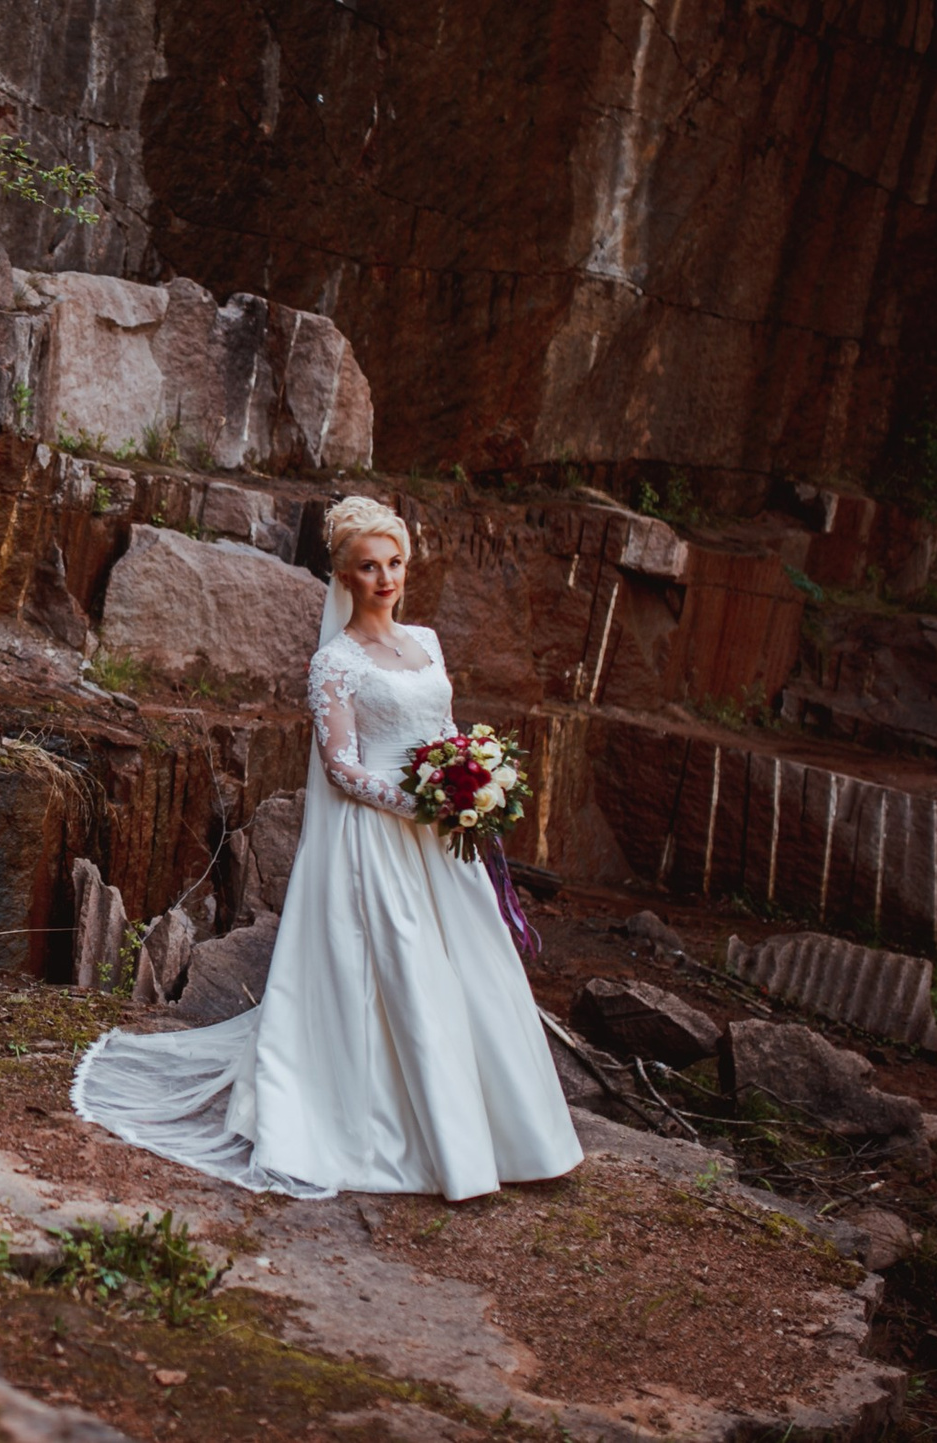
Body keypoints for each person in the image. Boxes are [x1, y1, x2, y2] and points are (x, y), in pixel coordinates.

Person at [71, 495, 584, 1200]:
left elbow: (445, 726)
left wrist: (472, 779)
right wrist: (424, 802)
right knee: (401, 972)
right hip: (378, 835)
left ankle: (513, 1137)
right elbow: (342, 766)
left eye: (395, 563)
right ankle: (419, 1135)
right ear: (344, 575)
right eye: (369, 566)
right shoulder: (335, 663)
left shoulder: (427, 643)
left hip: (440, 839)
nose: (385, 578)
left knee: (471, 967)